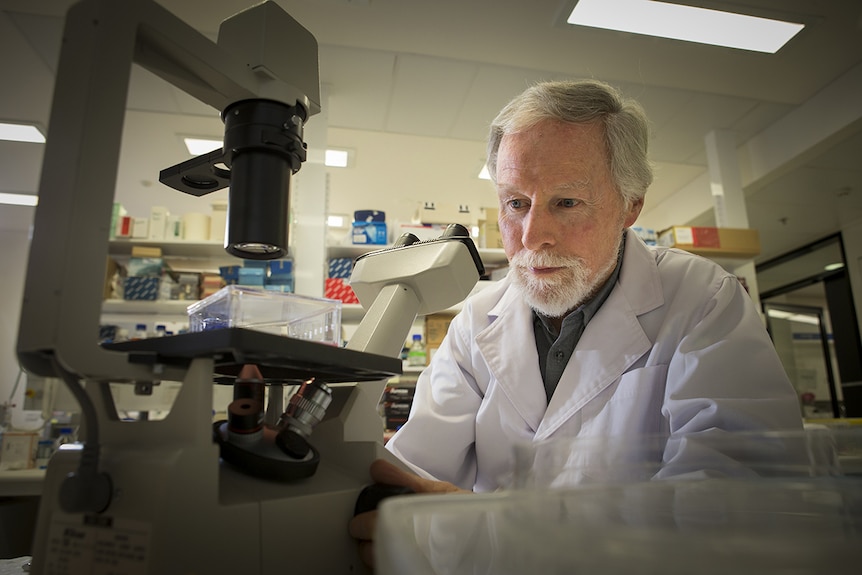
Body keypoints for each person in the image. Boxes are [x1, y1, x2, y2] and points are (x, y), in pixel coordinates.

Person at [349, 78, 802, 565]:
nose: (532, 235)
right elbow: (411, 478)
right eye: (515, 203)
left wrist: (495, 529)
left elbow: (734, 508)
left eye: (565, 202)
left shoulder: (702, 300)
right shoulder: (476, 324)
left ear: (631, 205)